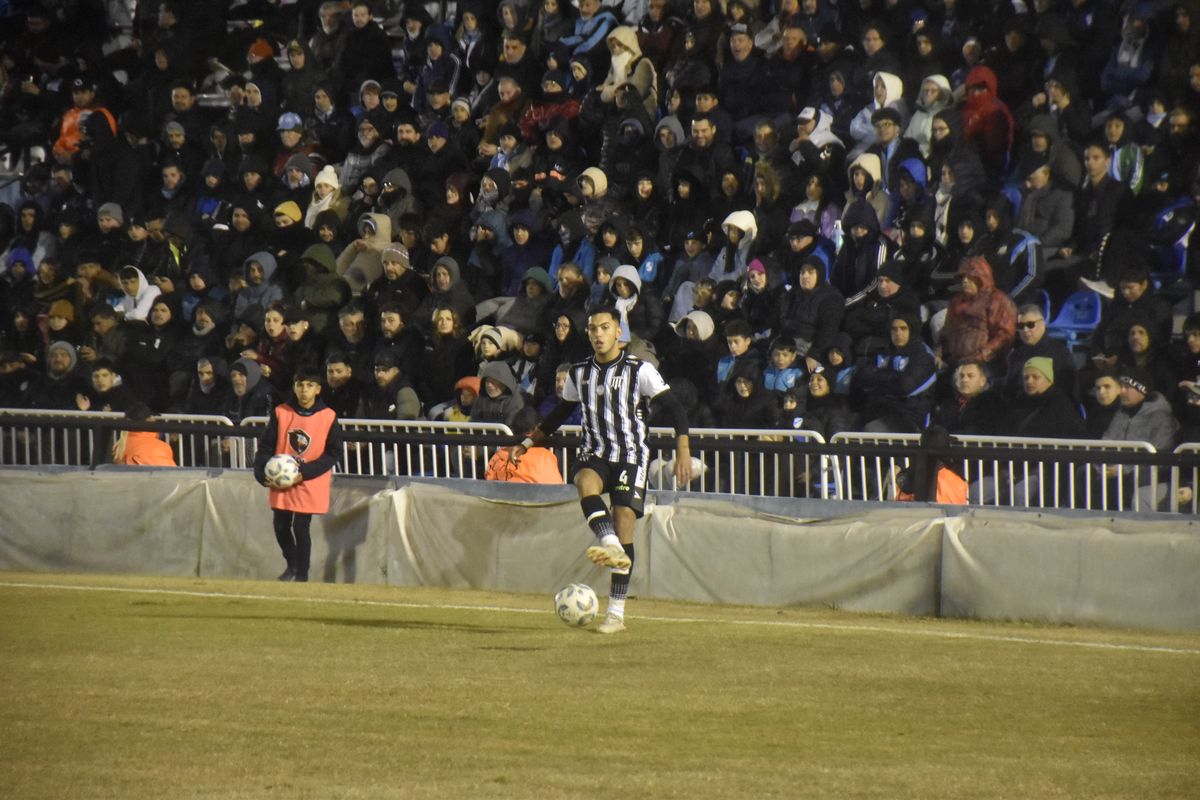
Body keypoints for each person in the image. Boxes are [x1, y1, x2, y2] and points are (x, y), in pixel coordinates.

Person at [509, 308, 691, 635]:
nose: (597, 334)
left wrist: (683, 449)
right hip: (594, 452)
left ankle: (616, 613)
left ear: (617, 331)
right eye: (592, 328)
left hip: (631, 456)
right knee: (583, 480)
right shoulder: (580, 373)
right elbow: (561, 412)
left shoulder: (640, 370)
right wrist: (527, 443)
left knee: (624, 521)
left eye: (604, 327)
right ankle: (608, 543)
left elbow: (675, 407)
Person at [253, 366, 342, 582]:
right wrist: (261, 470)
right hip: (282, 479)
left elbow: (334, 452)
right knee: (280, 526)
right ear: (294, 387)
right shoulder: (281, 412)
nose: (304, 390)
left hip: (308, 480)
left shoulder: (328, 417)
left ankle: (302, 575)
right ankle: (292, 564)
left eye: (309, 386)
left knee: (301, 527)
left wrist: (306, 471)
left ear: (318, 389)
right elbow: (266, 446)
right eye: (300, 385)